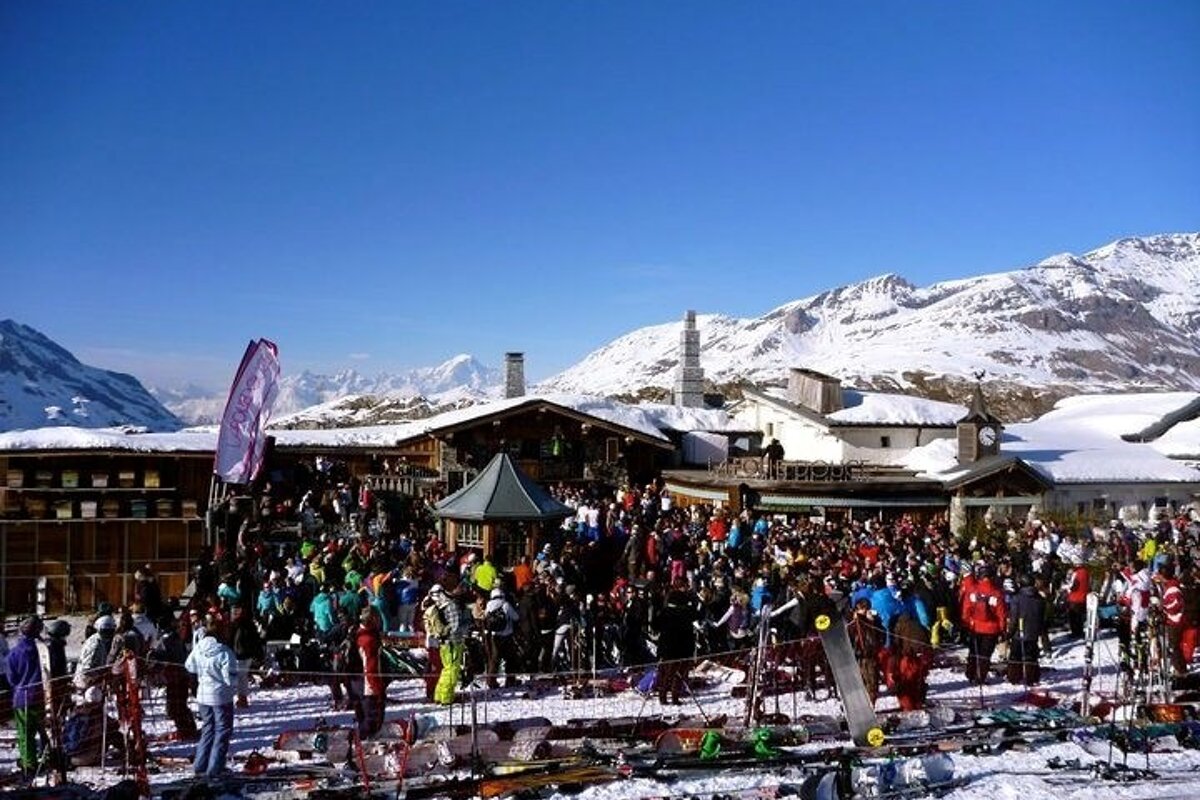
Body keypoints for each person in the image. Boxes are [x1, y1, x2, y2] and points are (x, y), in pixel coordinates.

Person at [185, 613, 237, 780]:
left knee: (208, 729)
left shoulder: (198, 648)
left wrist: (203, 673)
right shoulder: (224, 651)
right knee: (222, 731)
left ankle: (200, 765)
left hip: (203, 695)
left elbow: (189, 666)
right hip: (221, 696)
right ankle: (215, 768)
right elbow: (230, 677)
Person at [8, 615, 47, 778]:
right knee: (44, 730)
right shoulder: (43, 650)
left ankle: (29, 763)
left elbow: (12, 678)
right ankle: (47, 756)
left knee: (25, 734)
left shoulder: (14, 653)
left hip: (22, 697)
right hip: (42, 696)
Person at [961, 564, 1007, 685]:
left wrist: (966, 623)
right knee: (985, 654)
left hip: (974, 626)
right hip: (991, 628)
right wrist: (1003, 629)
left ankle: (970, 673)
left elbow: (966, 609)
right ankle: (980, 676)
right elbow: (1001, 614)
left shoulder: (973, 590)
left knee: (973, 651)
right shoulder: (996, 593)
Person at [654, 580, 697, 706]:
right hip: (682, 648)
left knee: (667, 674)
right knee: (678, 674)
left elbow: (655, 625)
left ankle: (664, 697)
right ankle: (674, 696)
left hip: (669, 648)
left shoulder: (666, 612)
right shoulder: (686, 612)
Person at [61, 685, 124, 767]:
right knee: (112, 734)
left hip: (69, 757)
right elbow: (115, 727)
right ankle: (128, 752)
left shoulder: (75, 712)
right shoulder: (98, 715)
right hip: (86, 758)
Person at [1007, 574, 1047, 685]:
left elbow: (1014, 617)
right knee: (1031, 655)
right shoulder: (1039, 598)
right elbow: (1042, 617)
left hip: (1019, 630)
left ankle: (1014, 677)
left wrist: (1009, 632)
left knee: (1016, 655)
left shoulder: (1017, 598)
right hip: (1033, 631)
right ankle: (1032, 677)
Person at [355, 607, 384, 739]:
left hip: (358, 682)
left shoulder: (360, 633)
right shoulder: (369, 640)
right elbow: (370, 666)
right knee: (372, 720)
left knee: (363, 716)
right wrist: (377, 688)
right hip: (369, 684)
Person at [483, 586, 520, 688]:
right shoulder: (505, 604)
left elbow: (485, 618)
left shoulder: (489, 605)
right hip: (507, 635)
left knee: (495, 659)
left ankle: (491, 681)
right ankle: (510, 680)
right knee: (510, 658)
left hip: (495, 636)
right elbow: (516, 617)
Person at [75, 613, 117, 690]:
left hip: (94, 681)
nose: (109, 634)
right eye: (106, 631)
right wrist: (95, 676)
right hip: (88, 682)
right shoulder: (95, 644)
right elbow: (87, 667)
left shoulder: (101, 641)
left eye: (111, 631)